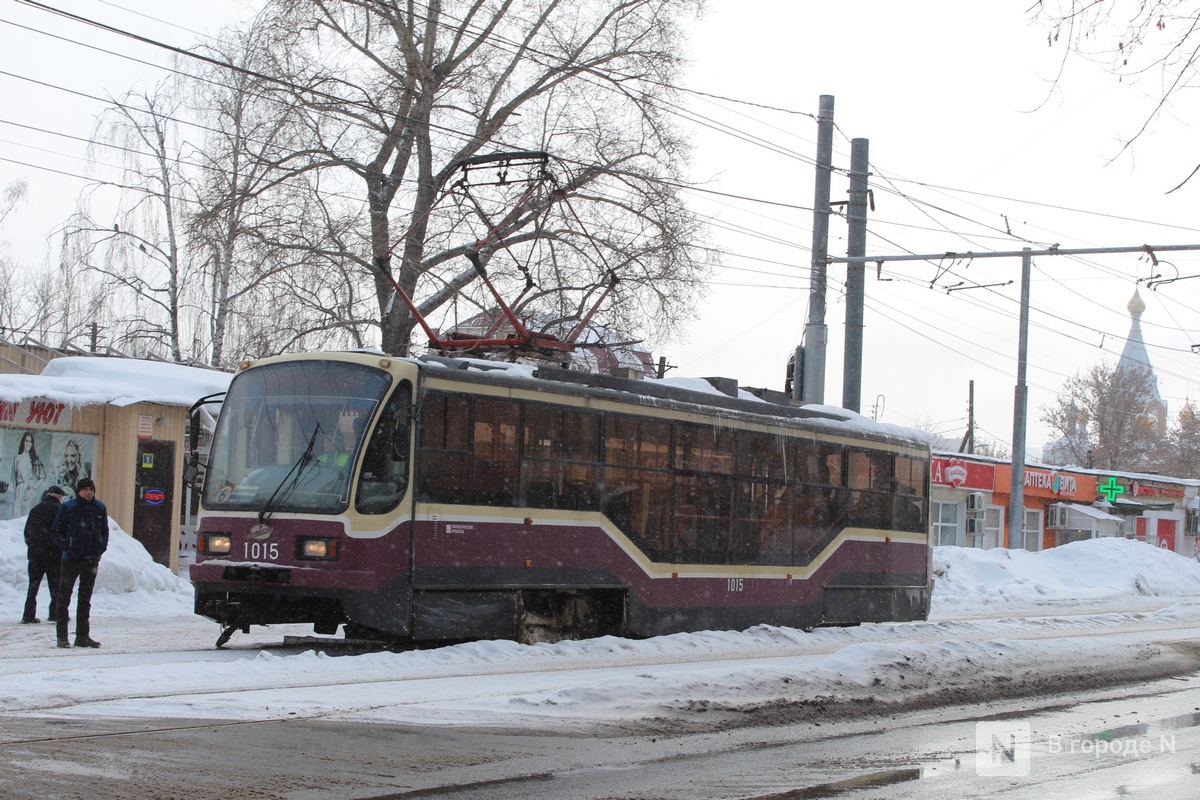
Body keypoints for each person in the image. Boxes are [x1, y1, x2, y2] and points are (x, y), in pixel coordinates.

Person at [52, 477, 108, 649]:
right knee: (64, 597)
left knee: (85, 599)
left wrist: (100, 548)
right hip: (71, 560)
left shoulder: (99, 508)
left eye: (91, 489)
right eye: (85, 489)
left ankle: (83, 636)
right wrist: (68, 546)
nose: (89, 492)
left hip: (91, 559)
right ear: (79, 491)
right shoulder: (69, 508)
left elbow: (104, 531)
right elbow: (56, 532)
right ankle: (62, 636)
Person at [22, 485, 67, 624]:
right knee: (55, 585)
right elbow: (61, 532)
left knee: (33, 585)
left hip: (35, 555)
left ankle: (28, 614)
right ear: (58, 497)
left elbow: (27, 532)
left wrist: (34, 546)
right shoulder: (59, 510)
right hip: (53, 555)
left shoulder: (36, 509)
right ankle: (55, 613)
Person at [12, 431, 47, 517]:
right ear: (23, 442)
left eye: (30, 441)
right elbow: (14, 478)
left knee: (27, 516)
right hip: (20, 491)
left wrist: (34, 486)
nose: (28, 443)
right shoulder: (17, 458)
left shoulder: (34, 459)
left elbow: (42, 476)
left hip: (29, 492)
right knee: (17, 516)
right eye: (26, 441)